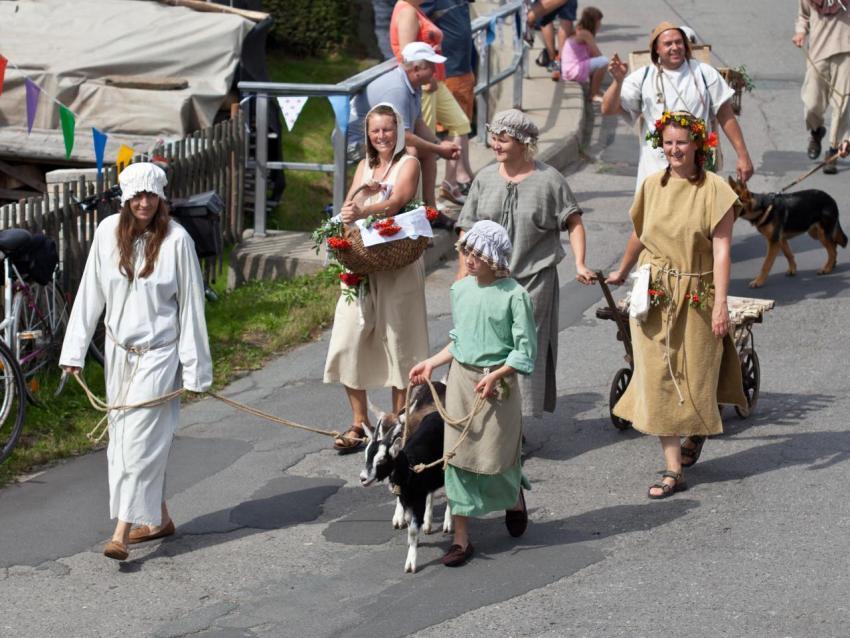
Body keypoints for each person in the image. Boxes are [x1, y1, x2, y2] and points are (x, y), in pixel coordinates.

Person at [59, 162, 213, 560]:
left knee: (140, 443)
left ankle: (121, 532)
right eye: (137, 196)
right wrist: (73, 352)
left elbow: (191, 308)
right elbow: (89, 292)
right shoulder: (106, 233)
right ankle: (158, 519)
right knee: (124, 441)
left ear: (160, 198)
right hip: (118, 354)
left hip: (160, 356)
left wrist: (195, 370)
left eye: (151, 195)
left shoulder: (178, 241)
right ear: (126, 198)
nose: (144, 202)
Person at [605, 111, 747, 498]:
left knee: (696, 373)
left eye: (681, 142)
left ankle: (697, 428)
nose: (674, 149)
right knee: (658, 375)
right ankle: (672, 470)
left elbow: (721, 252)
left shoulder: (715, 189)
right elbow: (640, 234)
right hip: (656, 292)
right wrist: (621, 271)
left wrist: (721, 305)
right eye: (668, 143)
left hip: (697, 291)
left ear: (698, 144)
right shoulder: (652, 186)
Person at [409, 220, 536, 567]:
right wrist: (431, 363)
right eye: (467, 251)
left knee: (495, 455)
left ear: (495, 257)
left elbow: (525, 350)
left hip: (499, 387)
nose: (469, 259)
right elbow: (460, 340)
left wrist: (498, 374)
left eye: (478, 253)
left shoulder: (515, 295)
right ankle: (462, 539)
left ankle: (513, 497)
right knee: (458, 456)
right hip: (462, 383)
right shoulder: (461, 290)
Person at [455, 109, 595, 420]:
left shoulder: (549, 180)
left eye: (503, 139)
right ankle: (485, 413)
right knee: (487, 343)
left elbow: (573, 222)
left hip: (533, 281)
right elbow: (467, 226)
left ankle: (515, 424)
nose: (495, 144)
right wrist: (463, 267)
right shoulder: (485, 178)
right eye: (494, 137)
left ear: (523, 143)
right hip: (488, 281)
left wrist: (580, 263)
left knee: (521, 349)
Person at [324, 103, 430, 453]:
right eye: (375, 130)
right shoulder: (365, 165)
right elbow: (348, 206)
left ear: (397, 131)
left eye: (387, 129)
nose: (382, 136)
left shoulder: (408, 162)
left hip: (397, 261)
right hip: (364, 262)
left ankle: (399, 423)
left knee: (399, 340)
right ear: (368, 135)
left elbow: (398, 201)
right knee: (347, 336)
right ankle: (360, 422)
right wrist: (354, 202)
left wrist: (366, 208)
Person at [601, 21, 754, 190]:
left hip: (698, 172)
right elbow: (607, 109)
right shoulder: (644, 76)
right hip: (656, 175)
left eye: (678, 42)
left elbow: (726, 116)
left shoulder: (704, 73)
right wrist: (618, 81)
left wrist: (743, 155)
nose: (675, 47)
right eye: (668, 44)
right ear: (656, 49)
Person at [349, 42, 461, 209]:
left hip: (382, 138)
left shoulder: (414, 84)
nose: (435, 71)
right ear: (416, 69)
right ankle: (405, 210)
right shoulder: (398, 89)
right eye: (431, 66)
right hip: (357, 142)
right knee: (411, 152)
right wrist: (439, 149)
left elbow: (417, 122)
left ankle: (429, 210)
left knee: (426, 152)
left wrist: (438, 144)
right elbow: (405, 136)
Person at [391, 0, 474, 204]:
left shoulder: (416, 9)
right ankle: (421, 200)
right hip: (424, 84)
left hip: (434, 80)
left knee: (460, 123)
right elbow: (406, 53)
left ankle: (450, 183)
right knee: (425, 143)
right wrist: (424, 81)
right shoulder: (407, 10)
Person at [423, 0, 477, 195]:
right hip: (450, 70)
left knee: (464, 123)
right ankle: (459, 177)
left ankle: (463, 174)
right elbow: (419, 28)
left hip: (464, 67)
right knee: (453, 126)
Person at [792, 0, 850, 174]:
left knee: (842, 104)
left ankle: (833, 151)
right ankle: (816, 131)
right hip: (818, 51)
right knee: (811, 103)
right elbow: (803, 16)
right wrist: (801, 32)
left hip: (846, 50)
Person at [559, 6, 607, 102]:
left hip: (568, 68)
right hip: (572, 69)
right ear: (593, 22)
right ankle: (594, 94)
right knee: (604, 61)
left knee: (598, 62)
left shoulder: (579, 30)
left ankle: (594, 90)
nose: (600, 24)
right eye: (599, 21)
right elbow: (598, 55)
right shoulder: (585, 34)